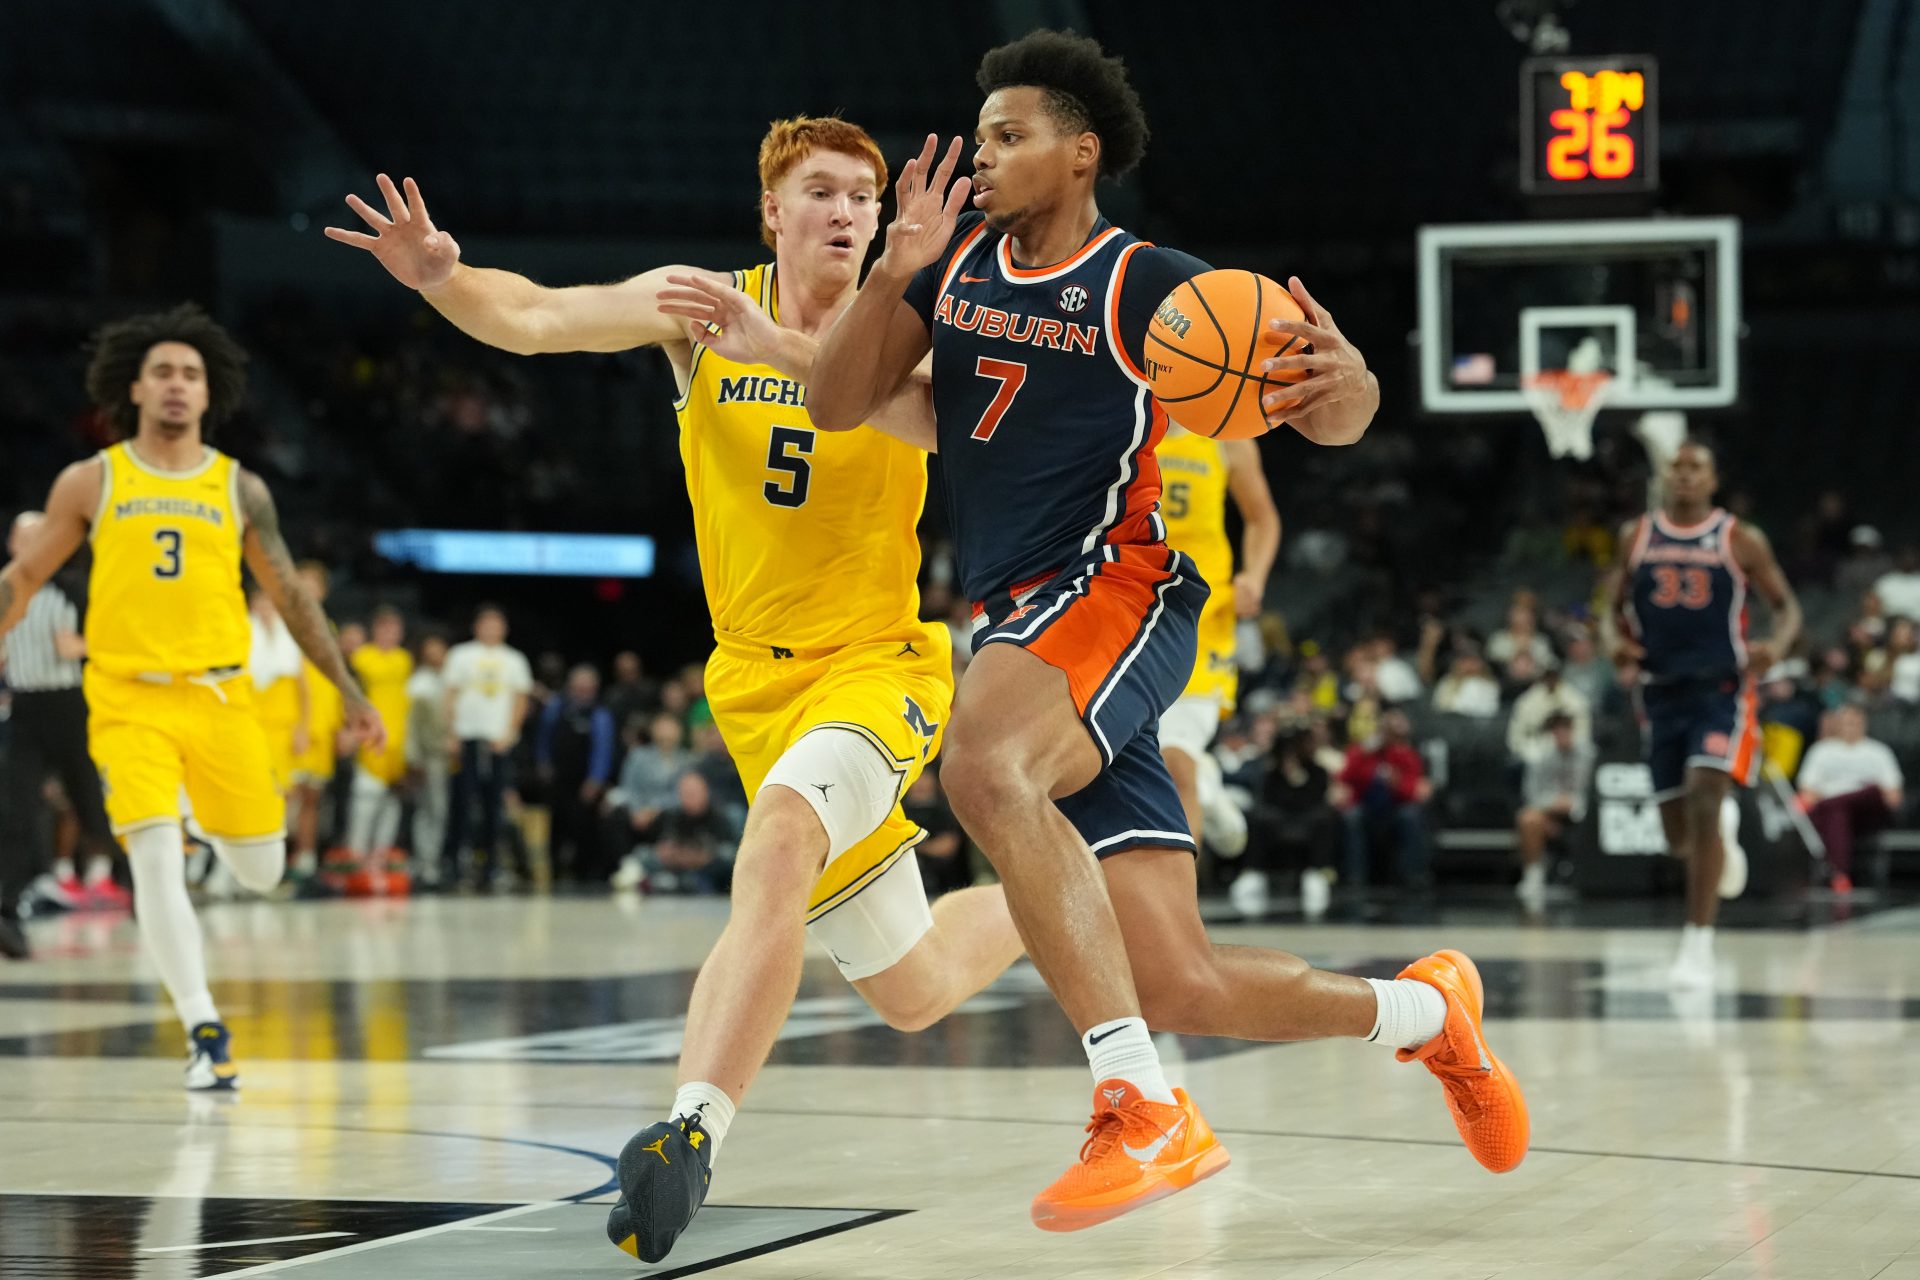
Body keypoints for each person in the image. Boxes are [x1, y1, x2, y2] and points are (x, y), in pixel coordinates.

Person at [802, 28, 1526, 1228]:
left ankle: (1143, 1107)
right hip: (1023, 620)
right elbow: (835, 402)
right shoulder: (950, 260)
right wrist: (892, 270)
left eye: (1010, 134)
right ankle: (1430, 1013)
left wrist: (1350, 388)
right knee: (1179, 977)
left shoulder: (1152, 284)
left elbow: (1331, 416)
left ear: (1081, 154)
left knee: (981, 762)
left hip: (1117, 589)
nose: (981, 154)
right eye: (978, 134)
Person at [329, 116, 1027, 1264]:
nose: (849, 211)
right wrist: (444, 279)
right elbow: (542, 316)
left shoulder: (910, 330)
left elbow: (941, 425)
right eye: (822, 191)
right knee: (914, 986)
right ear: (773, 212)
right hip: (754, 680)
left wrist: (790, 341)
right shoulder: (698, 306)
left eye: (864, 193)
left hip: (878, 663)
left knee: (781, 832)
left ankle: (687, 1131)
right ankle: (1069, 883)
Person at [0, 304, 380, 1085]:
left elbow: (295, 599)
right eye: (164, 372)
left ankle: (205, 824)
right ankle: (204, 1031)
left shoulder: (240, 488)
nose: (178, 385)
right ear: (134, 388)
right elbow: (23, 577)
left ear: (211, 396)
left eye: (192, 375)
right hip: (125, 697)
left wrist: (346, 688)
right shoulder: (92, 479)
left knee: (263, 871)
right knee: (153, 858)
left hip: (219, 699)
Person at [1603, 440, 1801, 985]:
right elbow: (1610, 608)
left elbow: (1786, 607)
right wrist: (1613, 643)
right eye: (1678, 467)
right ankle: (1719, 837)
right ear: (1665, 476)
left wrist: (1777, 647)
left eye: (1696, 468)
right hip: (1660, 691)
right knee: (1679, 837)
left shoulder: (1739, 537)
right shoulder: (1636, 535)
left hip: (1723, 689)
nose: (1685, 476)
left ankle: (1697, 943)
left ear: (1713, 480)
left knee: (1705, 790)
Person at [1154, 424, 1281, 861]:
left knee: (1174, 758)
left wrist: (1254, 577)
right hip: (1130, 609)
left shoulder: (1225, 435)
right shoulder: (1119, 420)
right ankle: (1207, 786)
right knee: (1138, 758)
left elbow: (1262, 518)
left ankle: (1179, 909)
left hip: (1201, 616)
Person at [0, 512, 118, 958]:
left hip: (72, 706)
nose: (30, 545)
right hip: (25, 709)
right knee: (16, 810)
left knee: (93, 808)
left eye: (39, 537)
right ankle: (8, 911)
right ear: (11, 543)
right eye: (22, 536)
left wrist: (85, 648)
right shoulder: (7, 591)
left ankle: (143, 890)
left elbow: (120, 643)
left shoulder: (79, 588)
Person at [439, 604, 531, 887]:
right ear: (476, 627)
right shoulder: (461, 655)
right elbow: (449, 695)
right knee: (461, 801)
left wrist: (510, 734)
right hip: (466, 738)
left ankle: (491, 864)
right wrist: (451, 733)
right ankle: (454, 861)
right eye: (486, 623)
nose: (491, 629)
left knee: (495, 805)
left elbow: (520, 700)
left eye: (496, 624)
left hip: (497, 742)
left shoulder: (514, 660)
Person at [1797, 704, 1904, 893]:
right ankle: (1840, 875)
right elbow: (1807, 791)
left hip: (1868, 812)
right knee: (1838, 813)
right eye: (1847, 723)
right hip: (1833, 816)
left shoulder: (1878, 752)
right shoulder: (1821, 751)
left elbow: (1893, 796)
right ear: (1838, 724)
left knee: (1870, 791)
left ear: (1864, 723)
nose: (1851, 727)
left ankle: (1838, 872)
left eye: (1856, 722)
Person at [534, 663, 617, 880]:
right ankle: (553, 871)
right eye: (578, 687)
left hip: (584, 782)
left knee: (583, 827)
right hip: (559, 778)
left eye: (587, 688)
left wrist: (595, 780)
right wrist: (543, 762)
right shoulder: (556, 708)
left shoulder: (599, 715)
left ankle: (583, 873)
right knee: (556, 826)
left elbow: (603, 749)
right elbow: (544, 737)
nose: (582, 692)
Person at [1336, 709, 1434, 891]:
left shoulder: (1406, 754)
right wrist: (1363, 753)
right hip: (1367, 808)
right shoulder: (1361, 752)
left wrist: (1396, 784)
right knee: (1352, 816)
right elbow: (1345, 778)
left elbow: (1413, 792)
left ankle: (1413, 876)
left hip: (1394, 809)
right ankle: (1355, 877)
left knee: (1411, 816)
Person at [346, 604, 413, 860]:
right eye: (383, 628)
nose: (389, 634)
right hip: (368, 738)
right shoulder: (361, 657)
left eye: (394, 629)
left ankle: (380, 856)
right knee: (364, 800)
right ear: (374, 630)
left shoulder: (404, 660)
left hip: (398, 743)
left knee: (391, 803)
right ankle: (355, 855)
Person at [1514, 711, 1595, 909]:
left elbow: (1596, 790)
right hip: (1549, 813)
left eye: (1565, 729)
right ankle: (1533, 874)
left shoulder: (1590, 755)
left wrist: (1574, 803)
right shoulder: (1540, 757)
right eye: (1556, 730)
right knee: (1528, 819)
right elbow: (1531, 794)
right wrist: (1551, 806)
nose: (1561, 734)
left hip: (1585, 814)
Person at [404, 630, 451, 880]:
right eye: (429, 649)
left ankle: (434, 859)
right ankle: (425, 862)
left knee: (439, 810)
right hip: (428, 756)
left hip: (447, 757)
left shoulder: (449, 680)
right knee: (429, 809)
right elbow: (412, 725)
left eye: (439, 648)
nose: (435, 654)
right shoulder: (420, 683)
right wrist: (414, 758)